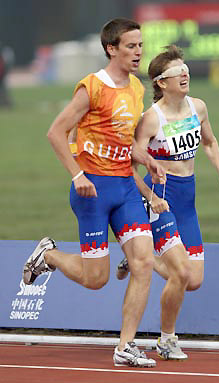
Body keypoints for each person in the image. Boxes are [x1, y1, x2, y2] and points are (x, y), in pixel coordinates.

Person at [22, 18, 167, 368]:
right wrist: (77, 175)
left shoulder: (136, 89)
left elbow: (124, 140)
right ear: (111, 49)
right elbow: (56, 132)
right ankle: (50, 256)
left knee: (144, 262)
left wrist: (145, 158)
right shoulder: (91, 87)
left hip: (124, 187)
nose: (139, 52)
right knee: (96, 279)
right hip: (92, 191)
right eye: (131, 46)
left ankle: (125, 346)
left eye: (140, 45)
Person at [117, 45, 219, 360]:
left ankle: (137, 259)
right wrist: (151, 196)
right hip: (163, 202)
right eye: (176, 72)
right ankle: (166, 340)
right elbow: (128, 169)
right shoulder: (150, 120)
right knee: (181, 273)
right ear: (160, 82)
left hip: (188, 203)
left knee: (193, 280)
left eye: (185, 69)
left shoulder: (198, 107)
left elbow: (210, 142)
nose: (184, 75)